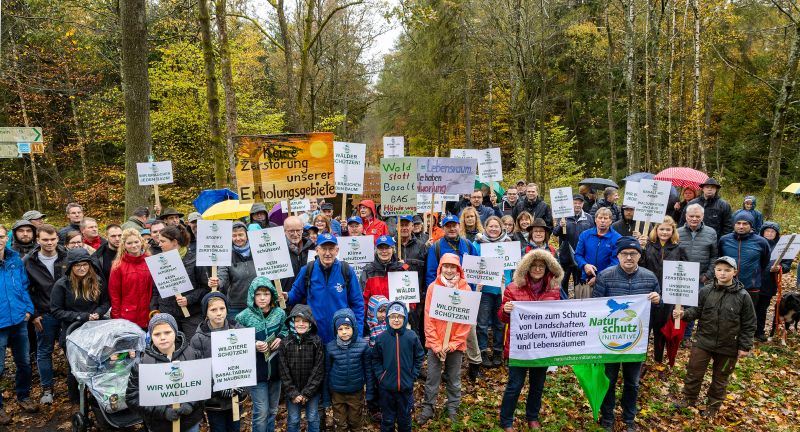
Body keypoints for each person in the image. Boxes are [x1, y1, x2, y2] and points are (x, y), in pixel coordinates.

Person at [592, 236, 661, 432]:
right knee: (609, 379)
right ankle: (607, 416)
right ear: (618, 255)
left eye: (633, 253)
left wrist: (658, 300)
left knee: (632, 382)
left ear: (640, 255)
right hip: (610, 340)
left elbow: (658, 309)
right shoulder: (605, 276)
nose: (629, 257)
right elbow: (596, 307)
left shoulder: (650, 278)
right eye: (624, 254)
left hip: (636, 340)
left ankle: (629, 417)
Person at [673, 257, 756, 418]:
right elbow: (697, 311)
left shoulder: (743, 296)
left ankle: (713, 406)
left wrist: (744, 346)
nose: (722, 273)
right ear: (715, 271)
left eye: (727, 270)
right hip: (704, 341)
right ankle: (689, 399)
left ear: (735, 272)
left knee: (721, 378)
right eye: (719, 270)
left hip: (728, 346)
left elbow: (749, 323)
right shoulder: (706, 291)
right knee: (694, 372)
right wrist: (683, 314)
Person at [498, 249, 563, 430]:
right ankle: (506, 420)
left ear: (548, 268)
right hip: (518, 347)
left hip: (541, 347)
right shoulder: (512, 288)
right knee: (514, 385)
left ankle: (532, 416)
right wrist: (505, 310)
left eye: (541, 266)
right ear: (526, 267)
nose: (537, 269)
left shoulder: (554, 290)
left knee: (537, 385)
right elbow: (502, 318)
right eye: (533, 265)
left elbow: (560, 317)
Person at [126, 314, 204, 432]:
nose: (162, 337)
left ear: (176, 332)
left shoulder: (193, 355)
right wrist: (162, 412)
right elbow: (132, 398)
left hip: (189, 423)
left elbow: (205, 384)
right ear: (151, 336)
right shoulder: (143, 364)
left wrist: (191, 404)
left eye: (167, 332)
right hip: (160, 425)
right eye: (157, 334)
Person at [49, 247, 109, 403]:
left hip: (95, 329)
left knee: (98, 363)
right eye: (77, 265)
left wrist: (99, 312)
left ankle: (97, 397)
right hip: (72, 331)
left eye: (84, 264)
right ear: (71, 267)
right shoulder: (62, 285)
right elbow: (56, 311)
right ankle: (77, 401)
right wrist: (82, 316)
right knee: (75, 367)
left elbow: (106, 302)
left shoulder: (98, 280)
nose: (81, 268)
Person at [417, 254, 472, 425]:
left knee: (453, 377)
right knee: (432, 377)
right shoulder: (434, 287)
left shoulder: (465, 289)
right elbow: (428, 317)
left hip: (455, 345)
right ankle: (428, 407)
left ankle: (453, 407)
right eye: (446, 266)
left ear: (458, 269)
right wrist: (435, 344)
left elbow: (466, 321)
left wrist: (453, 343)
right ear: (440, 268)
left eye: (452, 266)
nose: (449, 270)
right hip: (436, 344)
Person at [286, 233, 365, 344]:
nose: (327, 253)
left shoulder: (346, 270)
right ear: (317, 250)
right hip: (314, 335)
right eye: (324, 249)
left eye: (331, 249)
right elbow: (296, 294)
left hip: (341, 336)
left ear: (337, 250)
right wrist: (287, 296)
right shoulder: (308, 270)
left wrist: (358, 334)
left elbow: (357, 304)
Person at [233, 278, 287, 432]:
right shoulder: (243, 317)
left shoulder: (279, 314)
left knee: (272, 411)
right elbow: (236, 341)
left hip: (276, 371)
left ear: (272, 295)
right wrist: (253, 343)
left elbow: (286, 330)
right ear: (252, 296)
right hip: (256, 373)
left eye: (266, 294)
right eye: (258, 294)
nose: (262, 298)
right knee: (261, 412)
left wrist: (280, 338)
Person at [23, 224, 69, 405]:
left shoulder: (67, 256)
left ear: (57, 239)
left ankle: (76, 386)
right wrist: (33, 315)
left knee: (71, 350)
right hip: (44, 313)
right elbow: (24, 290)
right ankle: (47, 389)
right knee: (44, 351)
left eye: (52, 239)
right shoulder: (29, 260)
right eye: (45, 240)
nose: (49, 243)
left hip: (67, 313)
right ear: (38, 240)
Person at [189, 292, 247, 432]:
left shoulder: (238, 329)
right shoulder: (198, 338)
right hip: (214, 401)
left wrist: (243, 386)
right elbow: (198, 371)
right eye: (213, 310)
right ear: (206, 313)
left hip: (235, 395)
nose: (219, 313)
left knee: (235, 428)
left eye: (222, 308)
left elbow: (246, 361)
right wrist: (217, 388)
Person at [637, 216, 688, 366]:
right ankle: (641, 359)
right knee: (645, 328)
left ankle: (658, 359)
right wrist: (641, 249)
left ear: (673, 231)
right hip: (648, 294)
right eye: (662, 229)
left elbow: (685, 274)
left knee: (661, 329)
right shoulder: (649, 246)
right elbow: (641, 266)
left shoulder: (679, 248)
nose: (664, 232)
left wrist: (682, 300)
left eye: (668, 229)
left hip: (668, 297)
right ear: (656, 230)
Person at [0, 224, 38, 423]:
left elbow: (24, 286)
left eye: (0, 236)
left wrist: (28, 309)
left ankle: (23, 396)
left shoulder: (14, 259)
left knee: (24, 363)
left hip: (19, 321)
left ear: (6, 238)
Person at [373, 301, 424, 431]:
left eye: (400, 316)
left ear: (405, 317)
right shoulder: (381, 339)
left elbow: (419, 356)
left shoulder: (411, 336)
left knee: (405, 420)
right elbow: (375, 359)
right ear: (387, 318)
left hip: (406, 389)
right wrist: (381, 376)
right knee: (388, 420)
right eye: (393, 316)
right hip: (386, 389)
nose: (396, 319)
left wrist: (413, 374)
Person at [151, 225, 208, 340]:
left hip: (191, 315)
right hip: (167, 314)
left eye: (163, 241)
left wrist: (189, 299)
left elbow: (205, 288)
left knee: (193, 347)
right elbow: (156, 290)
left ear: (174, 242)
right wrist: (154, 310)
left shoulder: (194, 260)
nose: (159, 244)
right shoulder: (159, 262)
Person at [472, 216, 513, 368]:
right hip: (485, 289)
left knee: (500, 322)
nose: (494, 229)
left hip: (503, 288)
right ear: (485, 227)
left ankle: (497, 351)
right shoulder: (477, 244)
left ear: (502, 228)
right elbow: (473, 264)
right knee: (482, 323)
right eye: (491, 226)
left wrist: (510, 280)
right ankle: (482, 351)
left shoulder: (509, 244)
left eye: (497, 226)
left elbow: (514, 266)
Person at [279, 304, 325, 432]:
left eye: (305, 321)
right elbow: (283, 371)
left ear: (310, 323)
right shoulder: (285, 343)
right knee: (293, 419)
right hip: (292, 390)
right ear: (292, 322)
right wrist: (293, 392)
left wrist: (307, 392)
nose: (301, 324)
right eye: (297, 321)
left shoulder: (316, 342)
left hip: (312, 390)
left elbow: (318, 369)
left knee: (312, 417)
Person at [676, 203, 718, 341]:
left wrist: (708, 275)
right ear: (686, 216)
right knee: (678, 306)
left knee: (693, 308)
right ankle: (677, 335)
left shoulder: (711, 233)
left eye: (697, 216)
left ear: (702, 216)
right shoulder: (677, 232)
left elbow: (714, 256)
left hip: (700, 278)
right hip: (680, 277)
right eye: (691, 216)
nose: (694, 219)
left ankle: (686, 337)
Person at [325, 308, 370, 432]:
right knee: (340, 424)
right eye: (340, 329)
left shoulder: (362, 346)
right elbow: (327, 372)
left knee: (356, 422)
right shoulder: (330, 347)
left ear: (354, 327)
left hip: (356, 392)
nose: (344, 332)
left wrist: (370, 391)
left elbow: (368, 370)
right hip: (337, 392)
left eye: (347, 328)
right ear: (335, 330)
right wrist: (326, 395)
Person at [360, 236, 418, 321]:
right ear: (376, 250)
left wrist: (409, 312)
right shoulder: (368, 271)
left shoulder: (403, 269)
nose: (384, 251)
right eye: (380, 248)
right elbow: (363, 299)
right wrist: (365, 320)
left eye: (387, 248)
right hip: (376, 321)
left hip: (398, 320)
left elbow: (411, 296)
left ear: (393, 249)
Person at [718, 211, 770, 305]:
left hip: (751, 287)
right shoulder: (724, 240)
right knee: (727, 316)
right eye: (738, 223)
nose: (741, 226)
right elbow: (719, 259)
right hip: (727, 285)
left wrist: (754, 274)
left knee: (748, 317)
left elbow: (765, 262)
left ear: (751, 225)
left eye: (745, 223)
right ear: (734, 224)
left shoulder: (761, 242)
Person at [108, 229, 153, 329]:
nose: (134, 246)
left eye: (136, 242)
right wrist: (116, 317)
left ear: (141, 242)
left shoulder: (151, 261)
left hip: (149, 313)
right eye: (129, 243)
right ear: (124, 245)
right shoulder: (118, 266)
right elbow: (114, 294)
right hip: (128, 315)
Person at [210, 222, 256, 318]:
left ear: (247, 235)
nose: (238, 238)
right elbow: (222, 276)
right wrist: (216, 282)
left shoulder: (258, 250)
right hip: (236, 306)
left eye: (241, 235)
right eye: (234, 236)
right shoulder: (226, 254)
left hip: (258, 303)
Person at [554, 194, 595, 298]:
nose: (577, 205)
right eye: (575, 202)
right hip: (565, 255)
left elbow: (593, 234)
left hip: (581, 257)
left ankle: (578, 306)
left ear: (583, 204)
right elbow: (555, 233)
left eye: (579, 203)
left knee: (580, 283)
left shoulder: (589, 218)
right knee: (563, 282)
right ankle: (563, 304)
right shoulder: (563, 217)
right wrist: (560, 226)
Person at [756, 222, 791, 342]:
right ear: (763, 232)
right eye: (767, 231)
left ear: (776, 234)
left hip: (769, 283)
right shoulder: (756, 242)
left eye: (772, 232)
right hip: (753, 281)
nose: (770, 233)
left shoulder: (783, 247)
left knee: (762, 308)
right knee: (749, 307)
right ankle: (746, 330)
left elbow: (787, 265)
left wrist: (780, 268)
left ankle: (759, 331)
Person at [575, 208, 621, 287]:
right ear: (595, 220)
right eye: (600, 218)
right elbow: (578, 255)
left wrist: (599, 278)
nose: (602, 221)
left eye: (606, 218)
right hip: (586, 279)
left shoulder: (617, 238)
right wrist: (585, 265)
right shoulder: (585, 235)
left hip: (608, 281)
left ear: (610, 221)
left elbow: (615, 262)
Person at [282, 216, 315, 291]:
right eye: (291, 231)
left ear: (302, 230)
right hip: (286, 296)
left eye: (298, 230)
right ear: (284, 231)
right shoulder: (278, 249)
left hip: (307, 296)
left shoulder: (312, 247)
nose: (295, 234)